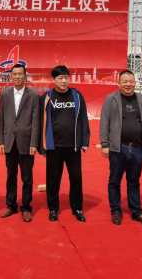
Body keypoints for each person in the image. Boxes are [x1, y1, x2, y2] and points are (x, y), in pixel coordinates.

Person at [100, 70, 142, 227]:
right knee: (114, 181)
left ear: (135, 83)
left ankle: (136, 211)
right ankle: (116, 211)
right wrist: (105, 144)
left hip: (137, 148)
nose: (128, 84)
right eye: (125, 82)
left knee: (134, 181)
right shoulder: (111, 99)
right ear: (119, 84)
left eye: (131, 81)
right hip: (118, 148)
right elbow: (105, 122)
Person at [40, 65, 90, 222]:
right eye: (60, 78)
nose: (64, 81)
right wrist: (42, 146)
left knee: (76, 178)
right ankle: (53, 208)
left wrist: (85, 141)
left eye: (66, 77)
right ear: (53, 79)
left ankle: (77, 208)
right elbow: (41, 122)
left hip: (73, 146)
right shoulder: (47, 96)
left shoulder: (77, 95)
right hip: (54, 146)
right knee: (53, 179)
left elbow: (83, 118)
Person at [0, 64, 40, 223]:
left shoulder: (33, 96)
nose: (16, 76)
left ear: (25, 76)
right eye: (14, 74)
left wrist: (34, 143)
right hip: (9, 141)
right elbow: (1, 119)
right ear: (11, 76)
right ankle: (11, 205)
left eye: (20, 74)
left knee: (27, 176)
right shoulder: (5, 95)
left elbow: (36, 121)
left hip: (26, 142)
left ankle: (26, 207)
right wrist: (0, 141)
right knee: (10, 175)